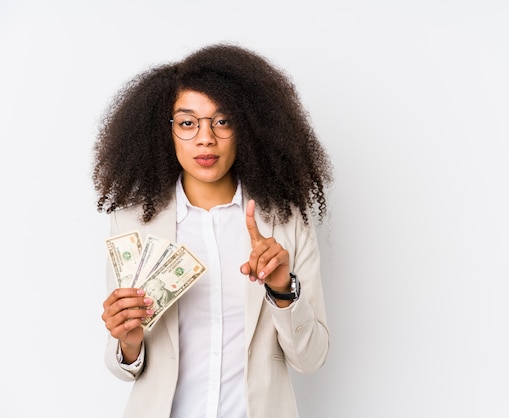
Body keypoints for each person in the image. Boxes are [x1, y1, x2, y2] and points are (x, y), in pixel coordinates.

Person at [93, 43, 333, 418]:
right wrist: (128, 343)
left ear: (248, 128)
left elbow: (311, 358)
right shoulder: (132, 225)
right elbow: (123, 365)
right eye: (188, 123)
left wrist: (284, 290)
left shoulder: (287, 223)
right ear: (166, 132)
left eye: (222, 121)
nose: (206, 138)